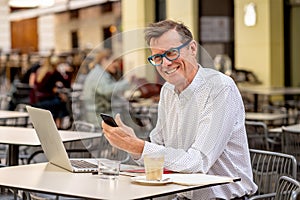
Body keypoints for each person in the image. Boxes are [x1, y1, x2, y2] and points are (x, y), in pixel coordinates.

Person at [101, 20, 257, 199]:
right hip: (180, 196)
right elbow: (158, 147)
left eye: (172, 53)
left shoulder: (220, 88)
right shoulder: (168, 90)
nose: (165, 63)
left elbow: (197, 163)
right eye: (158, 57)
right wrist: (133, 145)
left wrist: (138, 146)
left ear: (192, 48)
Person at [82, 49, 130, 125]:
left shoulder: (100, 72)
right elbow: (106, 90)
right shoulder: (98, 74)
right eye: (114, 61)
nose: (116, 65)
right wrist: (127, 82)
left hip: (99, 114)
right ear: (104, 60)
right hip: (99, 117)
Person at [30, 55, 72, 129]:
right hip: (45, 101)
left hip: (35, 101)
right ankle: (59, 125)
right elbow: (67, 84)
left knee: (60, 100)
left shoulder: (40, 70)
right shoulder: (53, 72)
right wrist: (68, 72)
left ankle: (56, 123)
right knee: (62, 102)